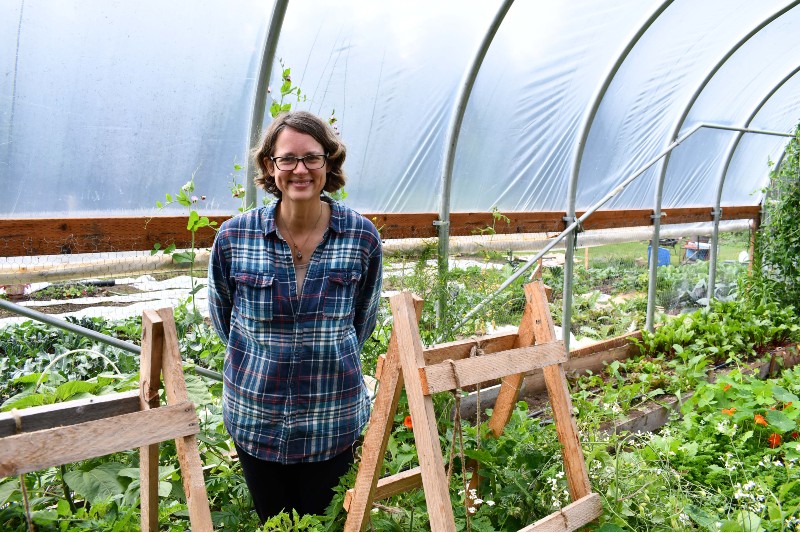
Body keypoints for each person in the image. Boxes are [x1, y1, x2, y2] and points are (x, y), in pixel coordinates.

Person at [207, 110, 382, 520]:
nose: (299, 169)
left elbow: (362, 322)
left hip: (332, 422)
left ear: (328, 163)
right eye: (288, 159)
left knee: (325, 524)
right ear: (271, 166)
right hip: (257, 420)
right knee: (274, 523)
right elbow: (223, 317)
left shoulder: (361, 237)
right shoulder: (235, 237)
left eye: (312, 158)